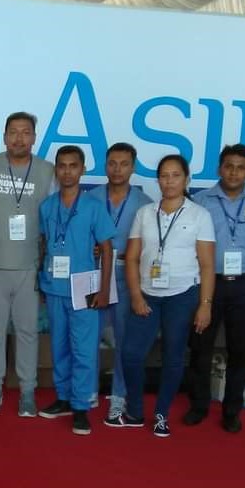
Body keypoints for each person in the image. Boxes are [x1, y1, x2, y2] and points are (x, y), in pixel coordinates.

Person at [185, 144, 245, 432]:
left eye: (240, 167)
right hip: (209, 283)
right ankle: (199, 405)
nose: (234, 172)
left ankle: (232, 410)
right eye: (228, 166)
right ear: (219, 168)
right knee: (200, 347)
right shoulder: (201, 201)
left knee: (241, 350)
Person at [120, 155, 215, 437]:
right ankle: (135, 411)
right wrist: (136, 295)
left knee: (173, 357)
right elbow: (132, 257)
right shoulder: (145, 213)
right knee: (131, 355)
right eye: (164, 175)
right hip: (147, 294)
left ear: (186, 179)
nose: (169, 181)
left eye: (175, 175)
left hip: (182, 295)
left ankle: (162, 414)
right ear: (158, 180)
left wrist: (205, 305)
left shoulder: (200, 215)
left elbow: (207, 265)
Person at [0, 112, 55, 416]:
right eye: (13, 132)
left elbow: (53, 220)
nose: (19, 138)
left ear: (34, 137)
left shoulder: (48, 171)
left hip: (29, 266)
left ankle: (27, 391)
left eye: (25, 132)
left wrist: (45, 263)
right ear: (4, 136)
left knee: (27, 332)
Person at [36, 146, 115, 436]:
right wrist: (41, 279)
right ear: (55, 170)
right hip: (54, 288)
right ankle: (64, 398)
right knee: (59, 346)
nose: (67, 171)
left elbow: (107, 249)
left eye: (73, 165)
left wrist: (104, 290)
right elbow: (43, 244)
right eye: (62, 166)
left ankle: (81, 406)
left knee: (83, 349)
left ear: (82, 169)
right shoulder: (47, 206)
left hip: (84, 290)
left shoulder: (94, 206)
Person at [88, 142, 152, 425]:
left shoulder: (144, 202)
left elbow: (151, 244)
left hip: (128, 277)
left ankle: (119, 395)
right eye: (112, 163)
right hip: (95, 275)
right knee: (89, 336)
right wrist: (90, 247)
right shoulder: (91, 198)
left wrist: (133, 253)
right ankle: (87, 390)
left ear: (133, 167)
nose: (117, 169)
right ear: (105, 166)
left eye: (124, 164)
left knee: (124, 341)